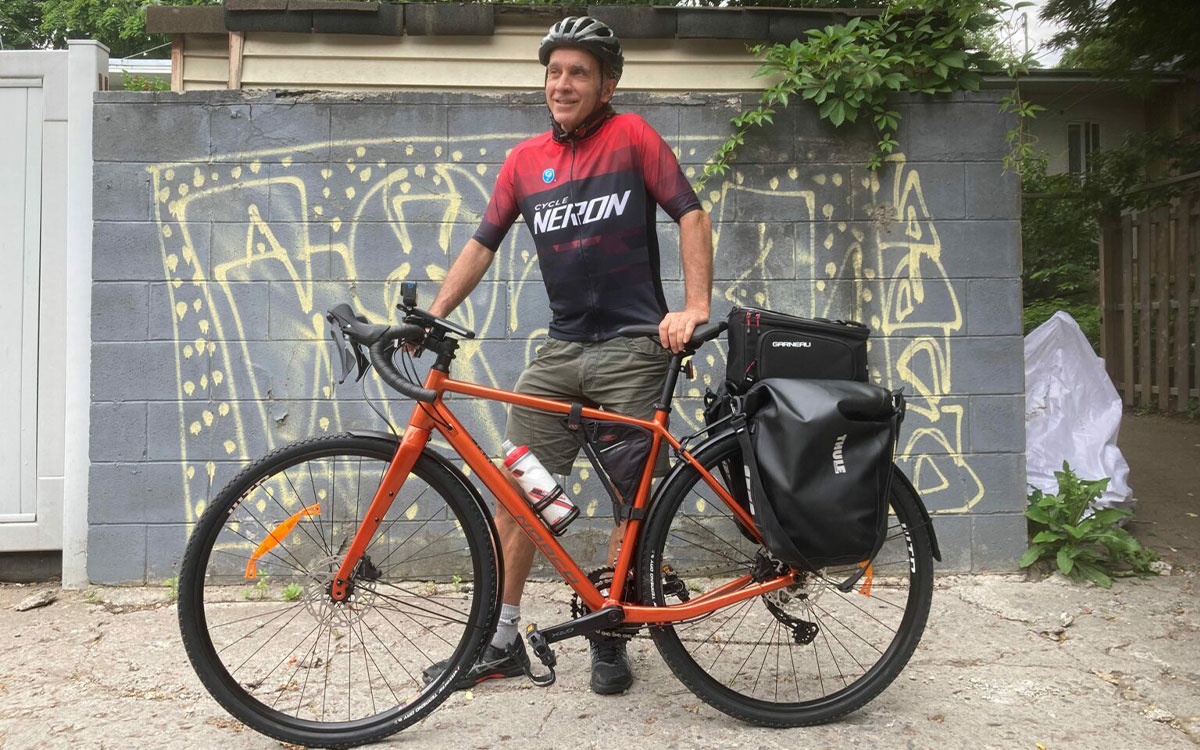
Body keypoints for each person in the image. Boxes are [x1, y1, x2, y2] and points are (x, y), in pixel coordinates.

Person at [422, 16, 713, 695]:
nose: (563, 83)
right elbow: (482, 243)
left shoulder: (632, 136)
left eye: (579, 72)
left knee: (629, 506)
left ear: (607, 84)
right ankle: (500, 639)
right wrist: (433, 315)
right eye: (554, 71)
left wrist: (693, 307)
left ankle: (610, 635)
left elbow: (691, 214)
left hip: (633, 351)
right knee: (521, 492)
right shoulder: (525, 161)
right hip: (559, 351)